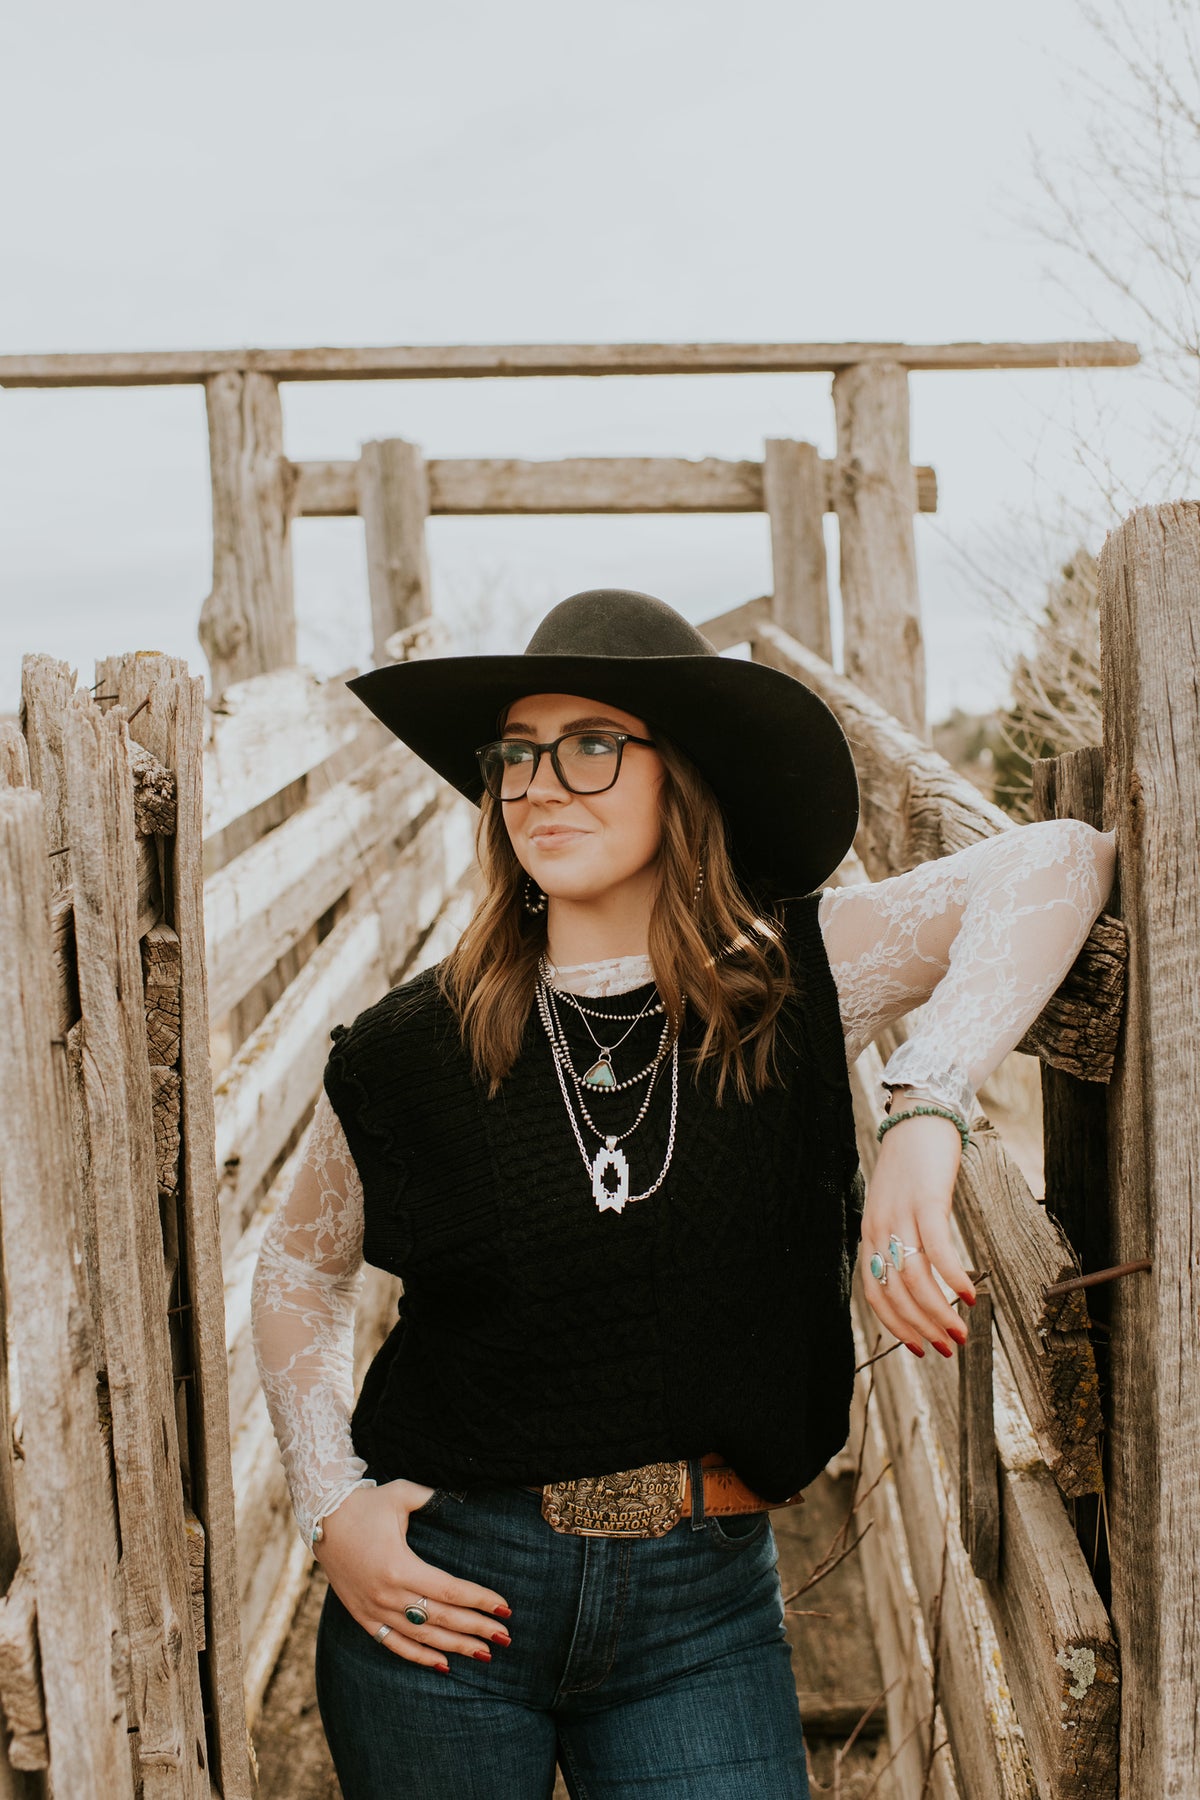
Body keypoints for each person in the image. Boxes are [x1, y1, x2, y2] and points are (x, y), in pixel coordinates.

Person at [251, 588, 1114, 1800]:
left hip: (696, 1610)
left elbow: (1057, 860)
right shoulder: (411, 1048)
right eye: (515, 755)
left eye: (592, 745)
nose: (540, 784)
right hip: (445, 1595)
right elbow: (297, 1271)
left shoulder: (799, 978)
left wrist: (925, 1107)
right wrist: (332, 1507)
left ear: (682, 771)